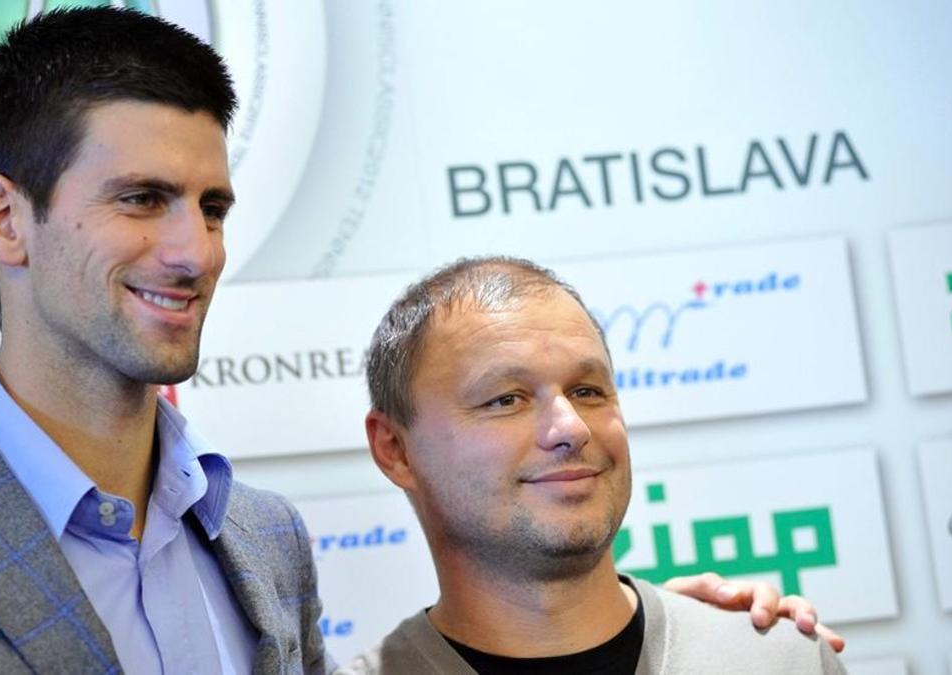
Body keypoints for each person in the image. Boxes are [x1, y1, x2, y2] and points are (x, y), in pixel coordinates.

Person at [0, 8, 831, 675]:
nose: (194, 251)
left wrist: (664, 639)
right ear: (1, 218)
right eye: (142, 200)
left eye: (212, 205)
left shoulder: (263, 542)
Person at [350, 257, 848, 674]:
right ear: (395, 449)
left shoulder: (780, 660)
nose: (570, 428)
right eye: (506, 400)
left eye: (587, 391)